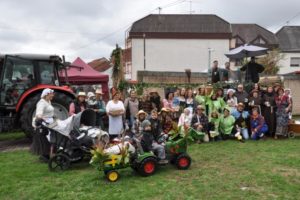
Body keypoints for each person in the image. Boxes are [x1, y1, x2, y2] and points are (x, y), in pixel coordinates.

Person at [30, 88, 54, 161]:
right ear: (46, 94)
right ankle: (45, 156)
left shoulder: (48, 101)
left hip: (50, 122)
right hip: (44, 123)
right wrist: (43, 119)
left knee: (51, 138)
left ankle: (48, 154)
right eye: (51, 94)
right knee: (46, 139)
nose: (53, 95)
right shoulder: (41, 103)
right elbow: (39, 114)